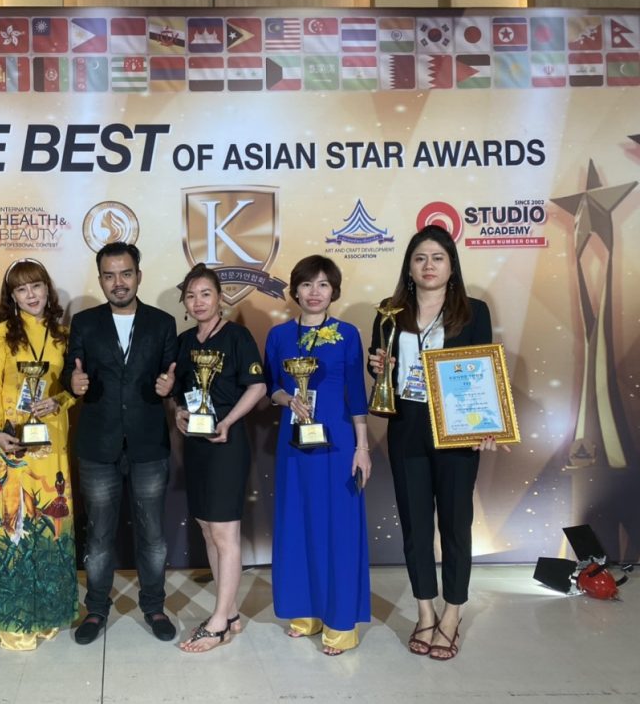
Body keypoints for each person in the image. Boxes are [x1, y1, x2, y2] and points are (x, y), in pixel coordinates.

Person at [368, 224, 505, 662]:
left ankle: (452, 613)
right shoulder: (390, 312)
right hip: (406, 427)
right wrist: (378, 366)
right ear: (409, 267)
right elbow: (380, 371)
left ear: (451, 266)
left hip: (457, 430)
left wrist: (488, 423)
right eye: (420, 258)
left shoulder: (473, 311)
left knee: (456, 524)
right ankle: (425, 612)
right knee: (415, 527)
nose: (429, 266)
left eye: (438, 258)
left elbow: (482, 369)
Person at [61, 242, 178, 645]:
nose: (118, 282)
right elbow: (70, 370)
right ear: (100, 280)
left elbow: (173, 374)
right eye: (109, 276)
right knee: (98, 537)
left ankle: (154, 606)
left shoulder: (162, 323)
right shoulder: (85, 322)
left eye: (126, 273)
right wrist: (73, 382)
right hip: (98, 445)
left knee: (153, 536)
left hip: (148, 445)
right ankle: (96, 609)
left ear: (138, 276)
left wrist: (169, 386)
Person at [264, 255, 371, 655]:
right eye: (307, 284)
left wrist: (362, 448)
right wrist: (286, 398)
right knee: (298, 522)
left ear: (334, 291)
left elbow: (356, 394)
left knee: (339, 528)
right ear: (295, 289)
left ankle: (341, 622)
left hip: (339, 443)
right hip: (294, 442)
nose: (314, 292)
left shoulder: (347, 334)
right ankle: (305, 611)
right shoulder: (278, 335)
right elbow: (271, 386)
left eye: (323, 284)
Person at [0, 258, 78, 650]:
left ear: (47, 289)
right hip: (13, 445)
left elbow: (74, 387)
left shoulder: (63, 335)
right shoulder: (1, 334)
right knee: (15, 527)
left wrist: (59, 401)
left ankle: (52, 614)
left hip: (51, 442)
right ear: (12, 296)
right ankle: (16, 619)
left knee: (51, 526)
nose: (31, 295)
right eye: (21, 289)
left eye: (36, 286)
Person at [172, 263, 265, 652]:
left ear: (220, 297)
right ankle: (231, 612)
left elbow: (258, 386)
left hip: (227, 443)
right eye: (191, 296)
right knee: (208, 529)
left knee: (225, 533)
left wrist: (227, 422)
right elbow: (178, 391)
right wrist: (178, 411)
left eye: (205, 294)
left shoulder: (237, 336)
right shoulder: (184, 341)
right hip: (195, 446)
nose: (198, 302)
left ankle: (219, 622)